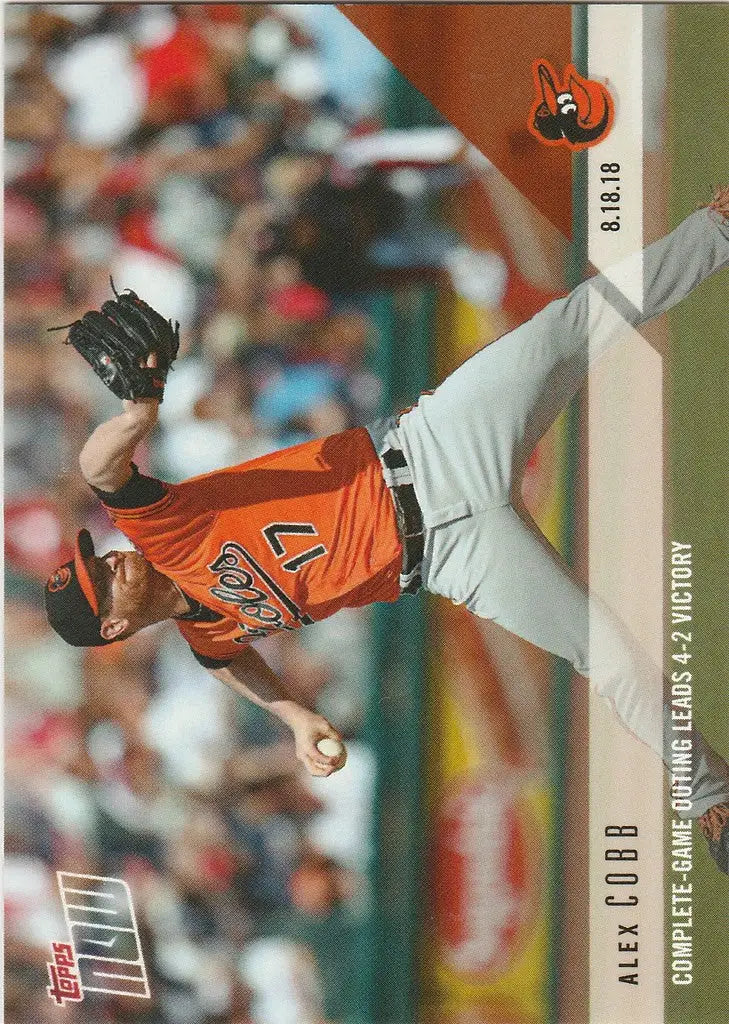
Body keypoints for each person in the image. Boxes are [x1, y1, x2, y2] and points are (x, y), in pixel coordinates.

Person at [45, 190, 729, 873]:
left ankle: (714, 228)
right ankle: (711, 799)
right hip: (454, 559)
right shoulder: (208, 637)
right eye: (101, 582)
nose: (111, 565)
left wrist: (139, 409)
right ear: (114, 629)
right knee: (606, 656)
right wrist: (295, 718)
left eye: (98, 563)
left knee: (573, 323)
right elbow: (231, 664)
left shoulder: (159, 528)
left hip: (430, 448)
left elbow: (98, 467)